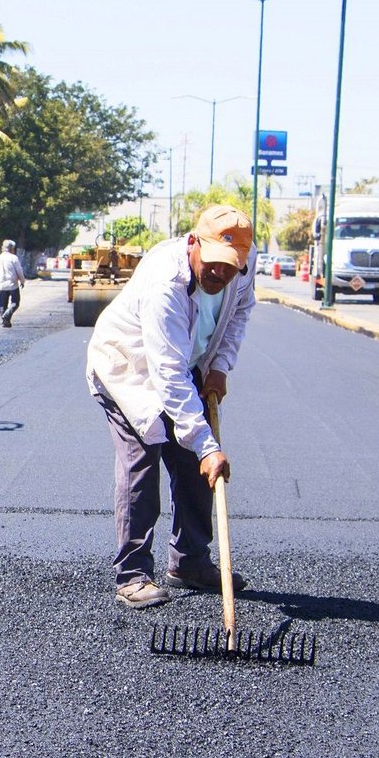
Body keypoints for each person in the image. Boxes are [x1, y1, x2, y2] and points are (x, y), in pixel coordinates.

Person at [86, 204, 256, 609]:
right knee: (142, 463)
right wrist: (209, 445)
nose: (220, 273)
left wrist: (219, 366)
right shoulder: (166, 282)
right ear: (193, 243)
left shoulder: (242, 274)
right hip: (127, 366)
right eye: (213, 263)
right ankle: (132, 574)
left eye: (230, 267)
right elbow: (167, 374)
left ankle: (190, 562)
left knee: (196, 468)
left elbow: (239, 315)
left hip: (186, 362)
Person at [0, 239, 26, 327]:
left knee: (2, 304)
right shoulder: (13, 258)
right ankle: (6, 316)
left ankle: (5, 321)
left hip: (2, 285)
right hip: (12, 285)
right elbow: (19, 271)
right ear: (12, 249)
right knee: (15, 302)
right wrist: (22, 281)